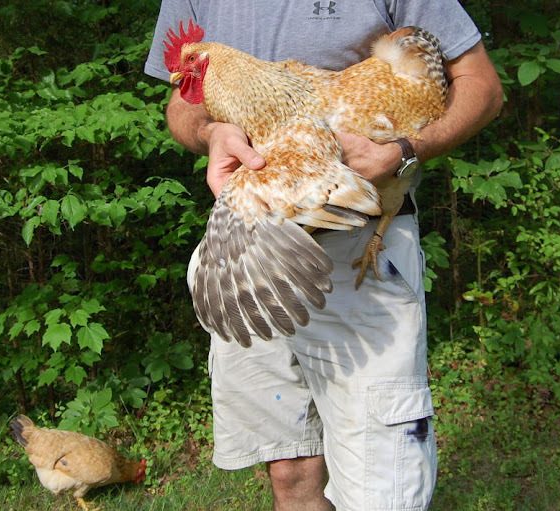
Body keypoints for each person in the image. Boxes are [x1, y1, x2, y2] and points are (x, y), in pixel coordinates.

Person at [145, 2, 503, 510]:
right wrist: (211, 132)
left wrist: (404, 151)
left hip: (358, 247)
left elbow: (483, 87)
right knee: (289, 466)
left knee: (381, 484)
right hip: (253, 246)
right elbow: (182, 104)